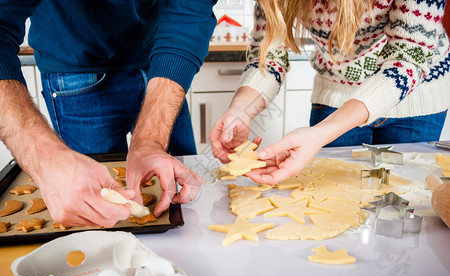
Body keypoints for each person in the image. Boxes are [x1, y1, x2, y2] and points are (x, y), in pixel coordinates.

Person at [0, 0, 217, 227]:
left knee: (184, 204)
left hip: (159, 61)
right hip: (75, 66)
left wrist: (150, 141)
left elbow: (188, 14)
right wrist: (46, 160)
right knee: (95, 213)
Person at [210, 0, 450, 185]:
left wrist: (320, 133)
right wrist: (240, 111)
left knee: (410, 197)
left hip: (416, 101)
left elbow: (409, 58)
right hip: (335, 95)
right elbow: (269, 56)